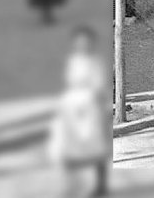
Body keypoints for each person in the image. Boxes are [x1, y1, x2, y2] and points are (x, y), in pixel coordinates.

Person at [47, 26, 110, 198]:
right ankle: (70, 184)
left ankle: (101, 184)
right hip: (72, 103)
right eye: (79, 42)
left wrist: (91, 102)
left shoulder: (96, 62)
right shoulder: (73, 61)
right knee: (66, 144)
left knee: (95, 145)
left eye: (86, 42)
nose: (83, 45)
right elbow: (69, 82)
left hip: (90, 104)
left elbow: (98, 85)